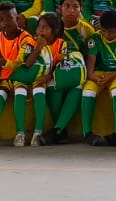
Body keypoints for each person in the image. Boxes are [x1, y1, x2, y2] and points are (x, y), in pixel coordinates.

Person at [0, 1, 44, 148]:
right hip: (6, 78)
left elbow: (21, 62)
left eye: (9, 18)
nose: (5, 22)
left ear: (17, 18)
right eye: (1, 19)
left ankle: (30, 132)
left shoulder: (26, 38)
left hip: (23, 75)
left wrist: (4, 62)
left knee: (24, 91)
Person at [79, 8, 116, 148]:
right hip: (98, 74)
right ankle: (87, 132)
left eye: (112, 31)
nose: (108, 34)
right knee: (88, 92)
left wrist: (110, 76)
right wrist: (93, 78)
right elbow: (90, 66)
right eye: (104, 31)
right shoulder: (95, 39)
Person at [35, 10, 86, 146]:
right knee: (53, 86)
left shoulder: (61, 44)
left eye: (45, 28)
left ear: (55, 31)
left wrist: (50, 75)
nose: (40, 30)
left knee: (76, 85)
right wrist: (38, 48)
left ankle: (58, 130)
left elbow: (61, 65)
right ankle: (60, 131)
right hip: (39, 79)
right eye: (39, 27)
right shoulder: (33, 42)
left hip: (53, 75)